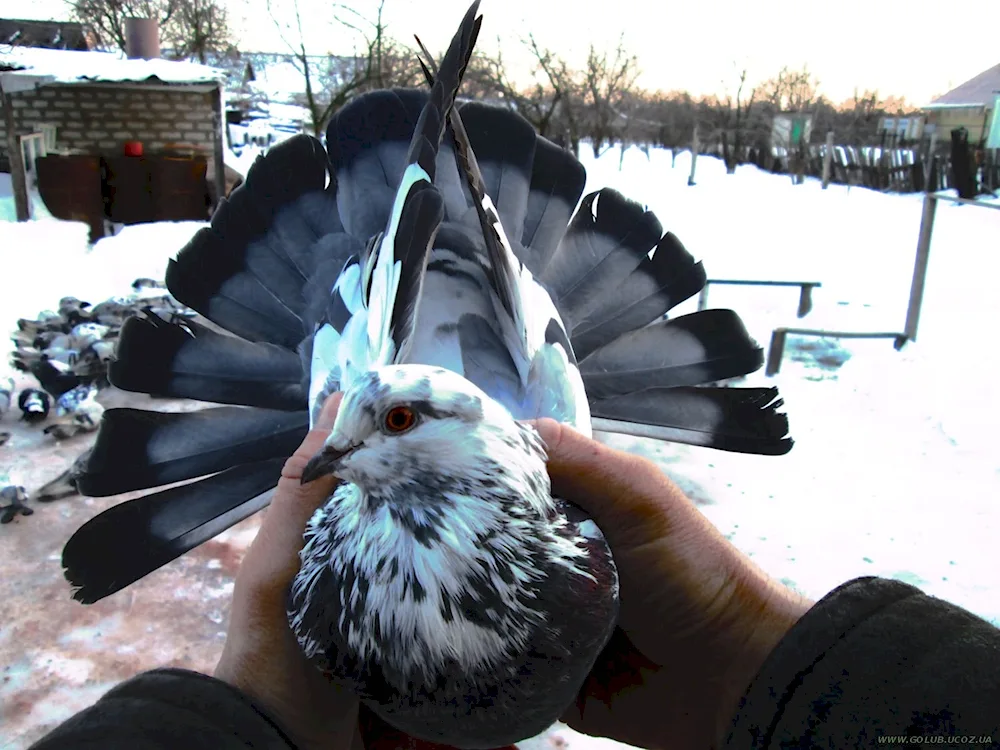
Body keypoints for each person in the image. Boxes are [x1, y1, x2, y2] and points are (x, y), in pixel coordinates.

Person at [29, 395, 1000, 750]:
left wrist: (744, 660)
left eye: (398, 424)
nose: (331, 460)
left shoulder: (578, 548)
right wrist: (770, 679)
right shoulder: (320, 579)